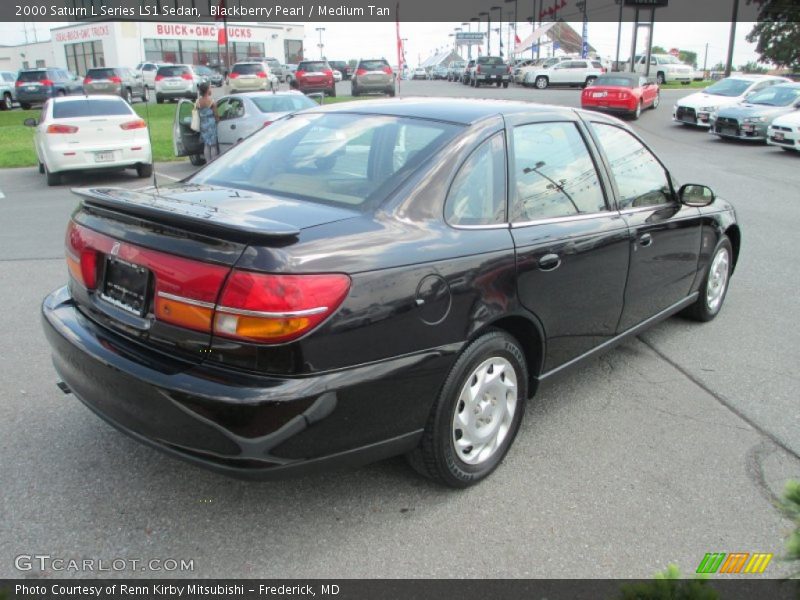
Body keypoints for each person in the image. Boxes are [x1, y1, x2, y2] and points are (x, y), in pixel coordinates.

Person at [195, 82, 219, 163]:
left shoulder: (198, 101)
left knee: (206, 144)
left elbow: (197, 112)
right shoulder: (211, 101)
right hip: (211, 124)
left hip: (203, 124)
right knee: (213, 145)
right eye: (210, 88)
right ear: (207, 90)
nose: (211, 89)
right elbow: (216, 115)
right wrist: (218, 120)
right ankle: (213, 162)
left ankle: (207, 162)